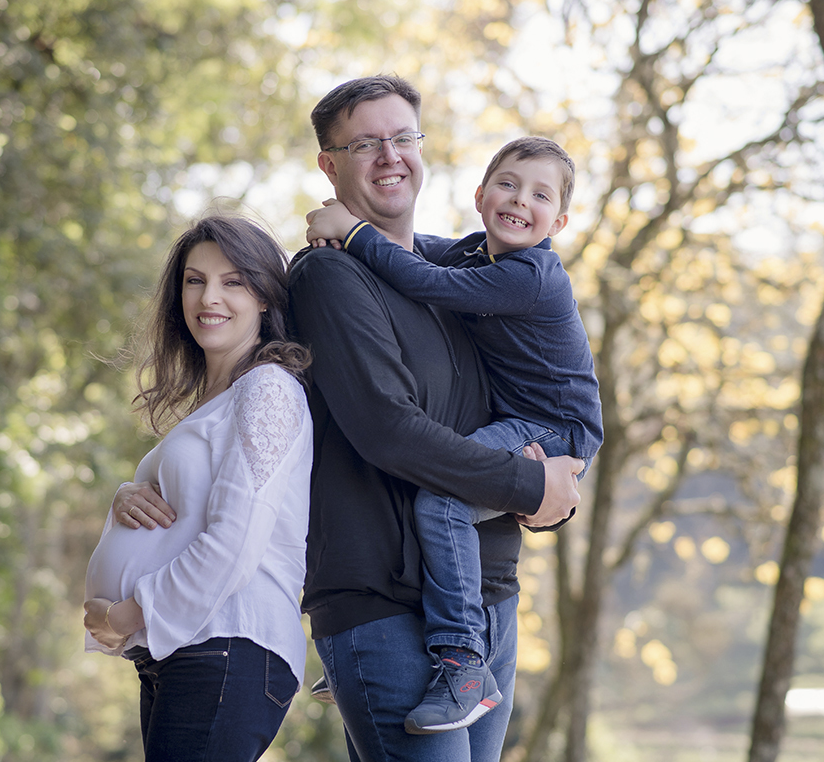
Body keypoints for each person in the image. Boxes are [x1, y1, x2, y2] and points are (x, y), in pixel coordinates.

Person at [305, 136, 603, 734]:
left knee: (442, 502)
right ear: (480, 195)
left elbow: (427, 282)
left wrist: (354, 234)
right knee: (448, 500)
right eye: (508, 185)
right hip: (521, 421)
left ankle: (461, 660)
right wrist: (349, 231)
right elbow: (417, 252)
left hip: (554, 428)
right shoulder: (475, 255)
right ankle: (393, 650)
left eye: (540, 196)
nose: (520, 201)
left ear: (558, 223)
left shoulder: (531, 276)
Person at [82, 214, 312, 762]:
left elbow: (235, 542)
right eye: (195, 280)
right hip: (189, 650)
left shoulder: (268, 389)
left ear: (264, 297)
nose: (209, 297)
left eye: (234, 281)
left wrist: (126, 615)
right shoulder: (221, 400)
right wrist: (126, 496)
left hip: (228, 643)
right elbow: (189, 509)